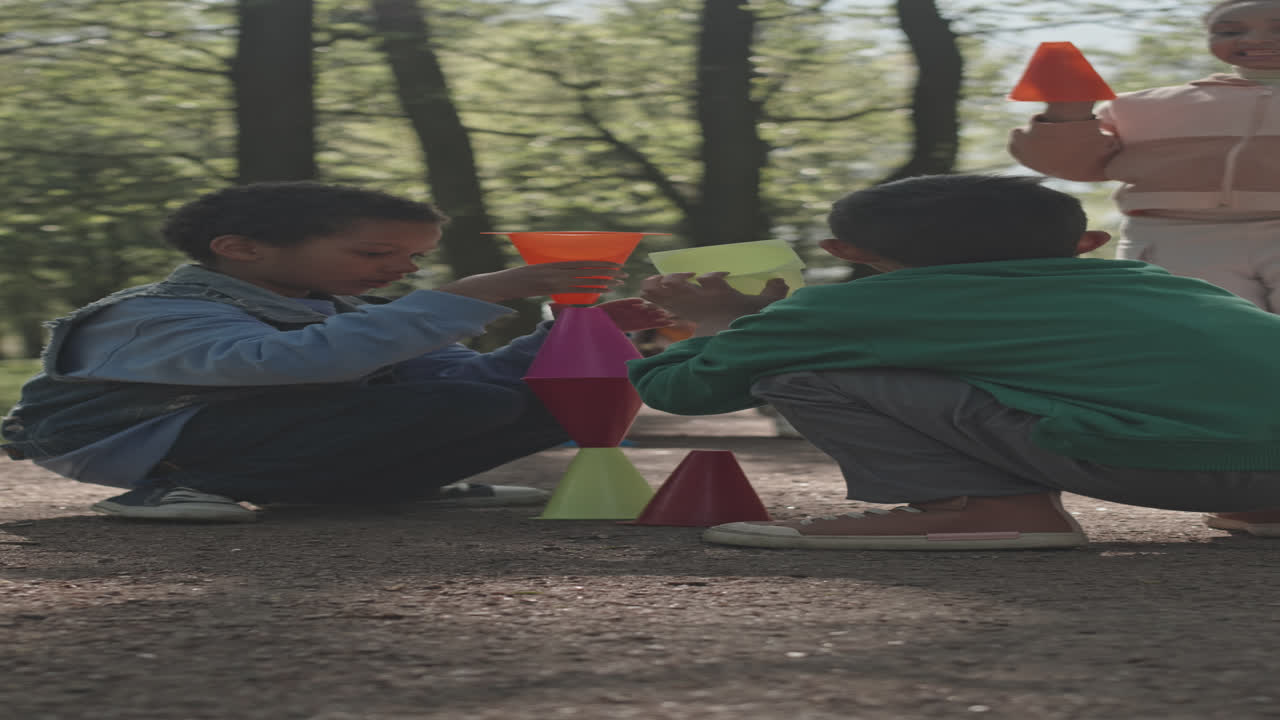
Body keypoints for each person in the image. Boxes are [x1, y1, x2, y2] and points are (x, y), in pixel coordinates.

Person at [628, 173, 1280, 551]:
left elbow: (682, 391)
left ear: (844, 248)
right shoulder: (1165, 284)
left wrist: (725, 321)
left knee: (800, 372)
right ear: (1086, 244)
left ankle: (990, 509)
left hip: (1171, 472)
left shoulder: (852, 307)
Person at [0, 181, 671, 523]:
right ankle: (180, 491)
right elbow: (291, 365)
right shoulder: (150, 315)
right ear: (240, 248)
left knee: (547, 396)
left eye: (412, 258)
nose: (398, 271)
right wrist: (467, 293)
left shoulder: (347, 314)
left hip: (278, 426)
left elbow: (470, 374)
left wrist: (575, 335)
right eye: (375, 253)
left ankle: (391, 485)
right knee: (462, 401)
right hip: (156, 442)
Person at [1009, 0, 1280, 311]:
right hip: (1174, 239)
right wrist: (1068, 114)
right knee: (1194, 334)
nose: (1254, 40)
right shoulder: (1145, 107)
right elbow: (1075, 163)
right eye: (1230, 30)